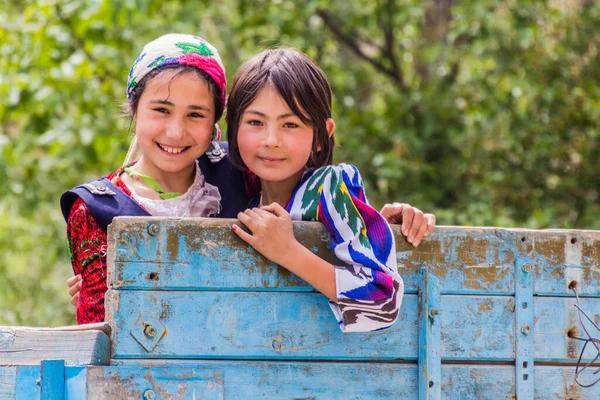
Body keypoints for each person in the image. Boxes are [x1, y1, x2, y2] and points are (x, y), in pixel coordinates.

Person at [62, 34, 435, 324]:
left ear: (216, 125)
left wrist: (379, 224)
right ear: (133, 109)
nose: (175, 132)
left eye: (196, 114)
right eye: (161, 109)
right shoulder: (99, 206)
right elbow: (100, 328)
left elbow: (374, 286)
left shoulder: (239, 177)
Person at [226, 48, 404, 332]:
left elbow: (383, 299)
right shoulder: (238, 196)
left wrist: (288, 251)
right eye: (256, 122)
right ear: (234, 129)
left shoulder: (331, 187)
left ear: (322, 135)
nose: (271, 140)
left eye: (290, 124)